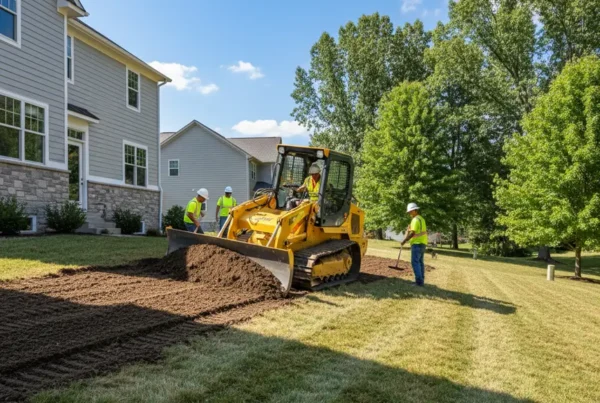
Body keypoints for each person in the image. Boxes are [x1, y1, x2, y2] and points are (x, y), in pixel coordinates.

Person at [401, 203, 428, 286]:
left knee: (415, 262)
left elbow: (413, 233)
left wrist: (404, 240)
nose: (409, 213)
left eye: (410, 211)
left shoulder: (415, 220)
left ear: (414, 210)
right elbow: (418, 230)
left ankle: (419, 282)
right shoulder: (422, 219)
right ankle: (421, 280)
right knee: (420, 262)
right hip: (423, 243)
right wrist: (409, 229)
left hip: (416, 244)